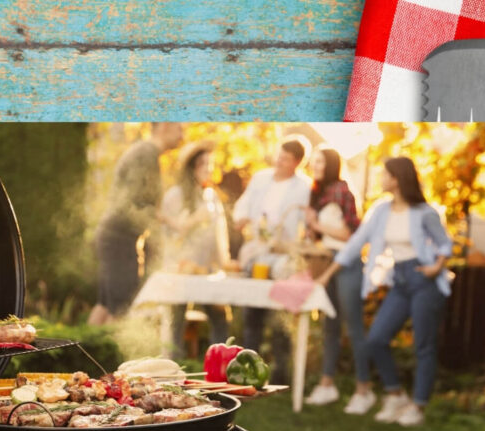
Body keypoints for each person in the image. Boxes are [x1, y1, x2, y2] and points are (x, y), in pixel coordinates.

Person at [315, 157, 453, 426]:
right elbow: (356, 242)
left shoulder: (424, 212)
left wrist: (436, 267)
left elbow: (444, 244)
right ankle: (395, 394)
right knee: (376, 339)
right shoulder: (381, 210)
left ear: (397, 179)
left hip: (424, 281)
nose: (380, 178)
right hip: (400, 280)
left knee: (423, 345)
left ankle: (418, 406)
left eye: (384, 174)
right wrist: (328, 273)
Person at [232, 136, 312, 384]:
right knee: (253, 313)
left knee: (279, 313)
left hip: (282, 256)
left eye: (286, 159)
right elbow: (243, 204)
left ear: (297, 163)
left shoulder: (304, 187)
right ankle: (246, 370)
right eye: (279, 155)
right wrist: (242, 217)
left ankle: (280, 372)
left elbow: (307, 223)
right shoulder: (260, 179)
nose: (280, 161)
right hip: (257, 251)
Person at [88, 122, 185, 325]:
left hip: (114, 236)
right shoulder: (146, 153)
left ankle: (87, 353)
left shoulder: (147, 153)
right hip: (120, 238)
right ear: (164, 126)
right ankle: (109, 355)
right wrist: (171, 223)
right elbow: (134, 202)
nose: (182, 134)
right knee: (120, 310)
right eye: (179, 128)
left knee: (106, 304)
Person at [302, 146, 374, 413]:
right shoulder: (317, 193)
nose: (315, 164)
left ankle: (364, 389)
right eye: (314, 160)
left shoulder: (342, 190)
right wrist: (311, 227)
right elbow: (321, 237)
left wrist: (317, 225)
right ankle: (327, 385)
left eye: (320, 160)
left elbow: (349, 235)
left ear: (331, 164)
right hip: (325, 262)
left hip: (348, 264)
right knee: (329, 327)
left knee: (353, 327)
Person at [159, 140, 231, 358]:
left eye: (210, 164)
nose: (208, 169)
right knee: (176, 321)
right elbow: (169, 235)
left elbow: (220, 233)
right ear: (191, 167)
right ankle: (172, 371)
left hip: (206, 270)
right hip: (181, 269)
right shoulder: (175, 195)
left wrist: (224, 261)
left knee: (220, 318)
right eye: (203, 164)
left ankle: (221, 366)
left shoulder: (211, 196)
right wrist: (193, 220)